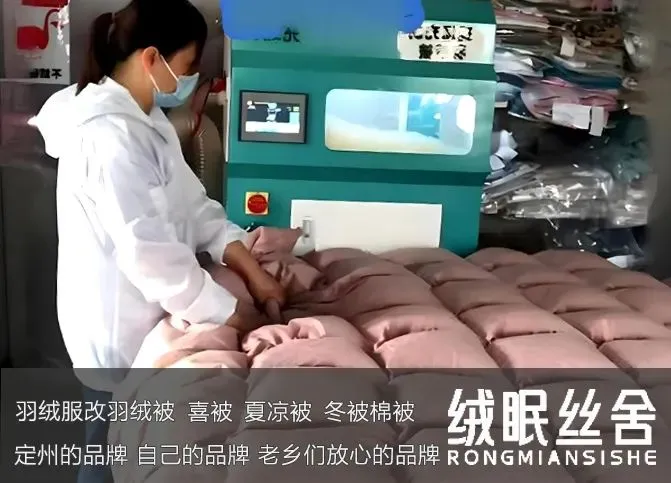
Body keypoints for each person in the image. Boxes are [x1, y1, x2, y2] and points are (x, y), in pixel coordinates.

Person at [33, 1, 284, 481]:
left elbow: (195, 207)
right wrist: (233, 313)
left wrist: (254, 274)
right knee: (110, 447)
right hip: (117, 327)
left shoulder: (146, 121)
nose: (189, 79)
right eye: (188, 66)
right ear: (152, 58)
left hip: (151, 316)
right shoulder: (108, 138)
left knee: (123, 443)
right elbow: (148, 254)